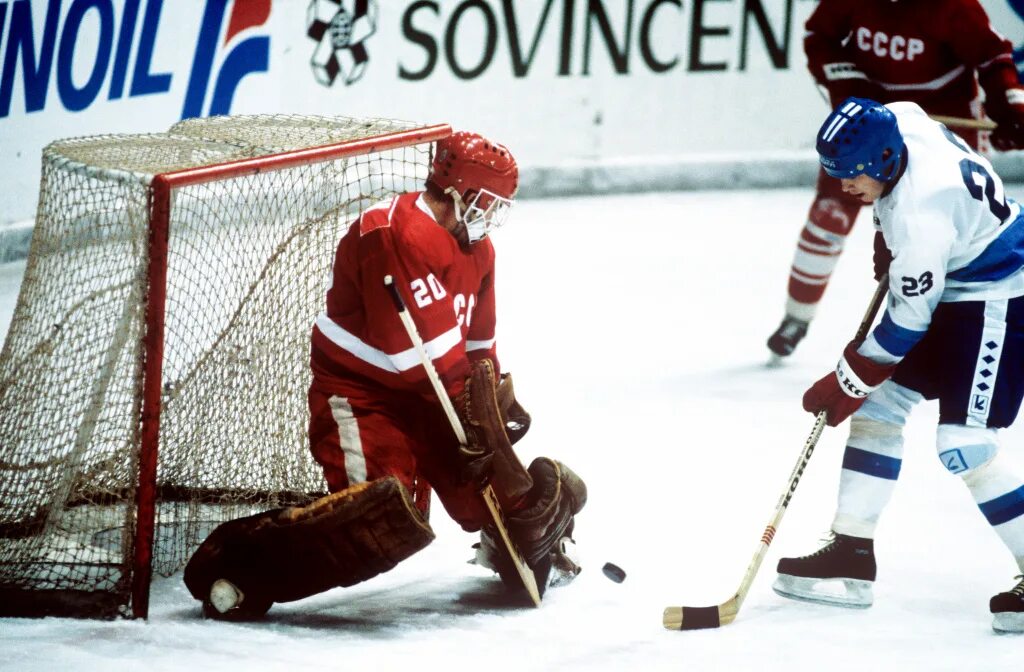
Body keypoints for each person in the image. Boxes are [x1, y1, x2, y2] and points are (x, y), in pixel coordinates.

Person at [183, 132, 586, 619]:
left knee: (504, 501)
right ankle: (240, 567)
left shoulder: (480, 252)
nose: (492, 216)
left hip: (433, 396)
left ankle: (528, 542)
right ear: (459, 192)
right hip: (362, 394)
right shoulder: (394, 232)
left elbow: (479, 344)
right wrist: (475, 423)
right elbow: (415, 357)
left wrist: (493, 410)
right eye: (488, 202)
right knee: (377, 517)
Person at [772, 98, 1024, 633]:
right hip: (958, 281)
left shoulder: (922, 215)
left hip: (1003, 295)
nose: (844, 188)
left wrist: (847, 378)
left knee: (965, 444)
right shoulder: (902, 121)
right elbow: (907, 106)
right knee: (880, 407)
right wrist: (885, 239)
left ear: (885, 159)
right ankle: (850, 553)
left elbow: (908, 322)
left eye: (854, 176)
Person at [767, 0, 1024, 358]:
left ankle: (947, 327)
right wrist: (846, 80)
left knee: (944, 233)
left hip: (943, 121)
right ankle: (797, 316)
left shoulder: (955, 6)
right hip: (867, 125)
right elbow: (819, 36)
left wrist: (1008, 103)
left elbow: (992, 56)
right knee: (831, 212)